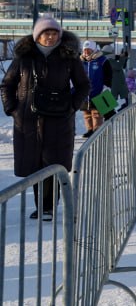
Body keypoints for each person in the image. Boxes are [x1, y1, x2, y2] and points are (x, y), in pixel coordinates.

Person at [0, 17, 90, 220]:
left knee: (54, 162)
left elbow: (83, 85)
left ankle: (47, 207)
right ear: (37, 35)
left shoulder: (69, 57)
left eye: (54, 33)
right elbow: (7, 85)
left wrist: (72, 106)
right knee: (35, 163)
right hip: (28, 120)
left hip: (59, 119)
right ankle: (41, 205)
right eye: (46, 33)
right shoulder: (24, 58)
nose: (50, 37)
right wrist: (12, 109)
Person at [80, 40, 113, 137]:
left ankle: (97, 130)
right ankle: (90, 130)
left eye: (88, 50)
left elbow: (108, 74)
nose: (86, 52)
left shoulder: (102, 60)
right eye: (85, 50)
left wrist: (107, 86)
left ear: (94, 50)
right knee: (86, 113)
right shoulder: (80, 61)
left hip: (98, 90)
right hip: (85, 93)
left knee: (96, 113)